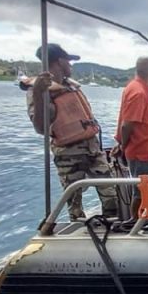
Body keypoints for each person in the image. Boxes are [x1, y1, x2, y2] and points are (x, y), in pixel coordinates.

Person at [24, 43, 117, 220]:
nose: (70, 66)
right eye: (68, 61)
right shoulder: (41, 91)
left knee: (111, 193)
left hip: (93, 149)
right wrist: (39, 94)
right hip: (68, 154)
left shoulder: (70, 86)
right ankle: (79, 228)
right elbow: (40, 127)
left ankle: (112, 224)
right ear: (59, 62)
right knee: (74, 203)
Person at [113, 57, 148, 220]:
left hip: (146, 152)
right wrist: (122, 145)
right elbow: (127, 125)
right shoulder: (138, 92)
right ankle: (136, 222)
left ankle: (144, 219)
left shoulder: (139, 89)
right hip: (141, 152)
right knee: (142, 191)